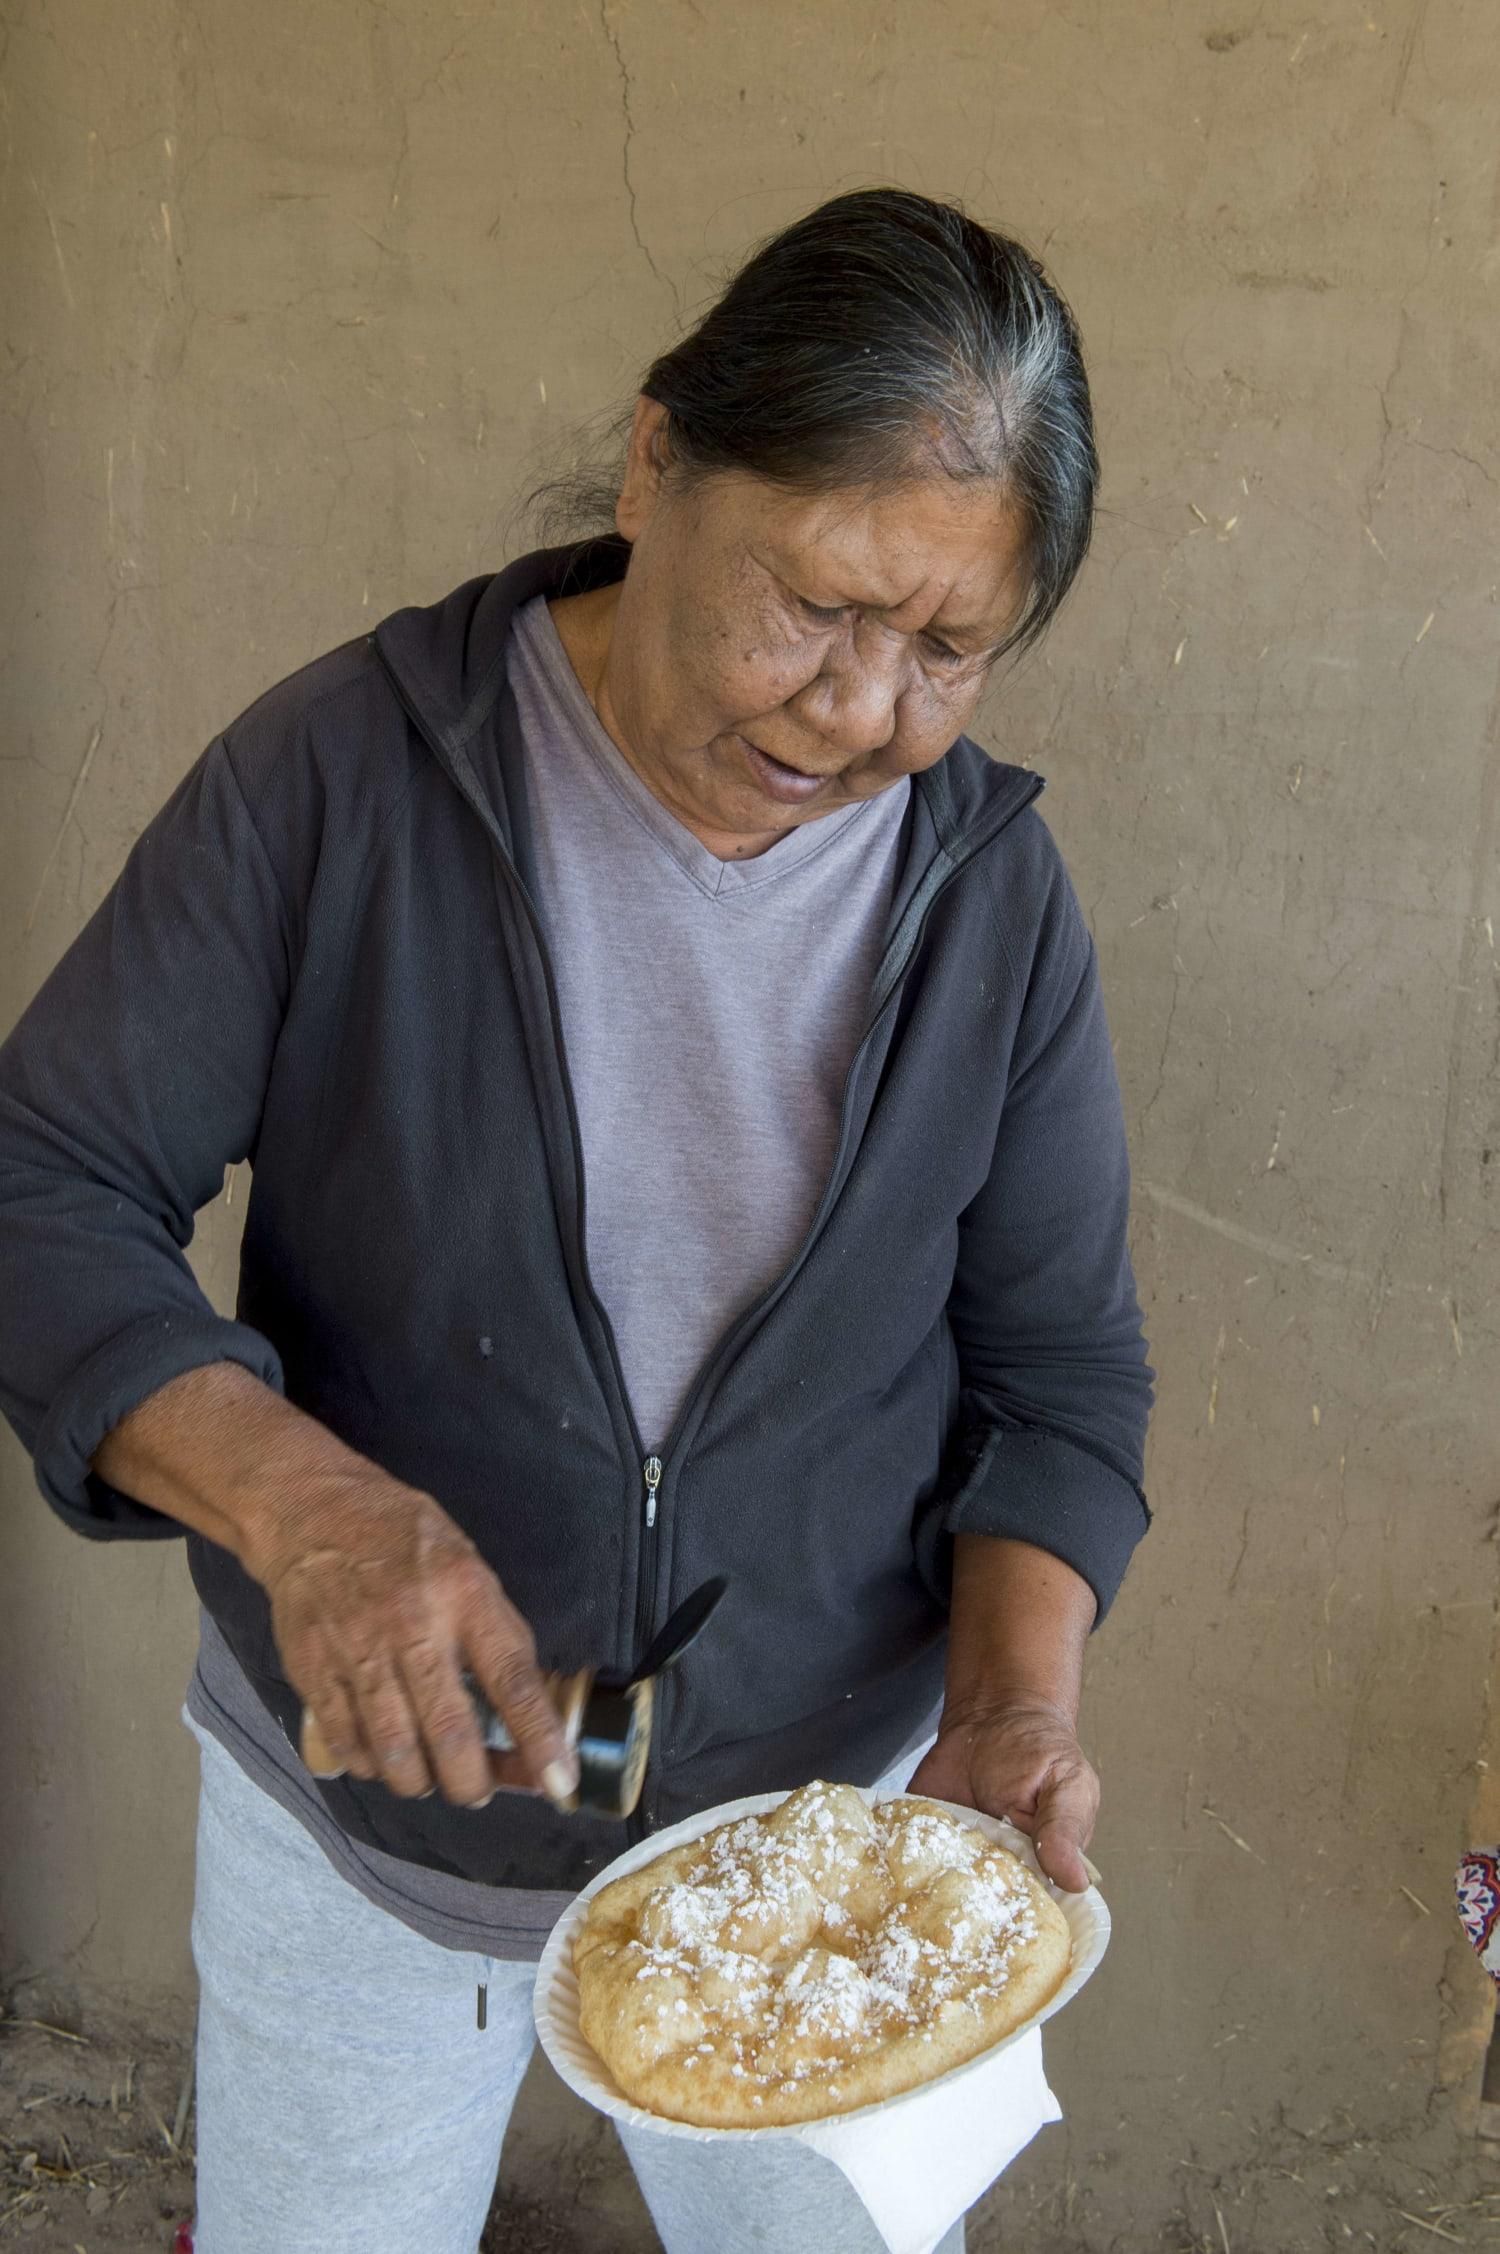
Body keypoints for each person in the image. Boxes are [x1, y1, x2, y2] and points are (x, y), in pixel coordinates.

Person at [0, 187, 1153, 2254]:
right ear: (656, 464)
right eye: (815, 602)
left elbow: (1059, 1369)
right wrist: (307, 1510)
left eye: (950, 648)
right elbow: (39, 1181)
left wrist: (1009, 1703)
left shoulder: (989, 897)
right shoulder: (344, 780)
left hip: (810, 1846)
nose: (863, 712)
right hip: (369, 1808)